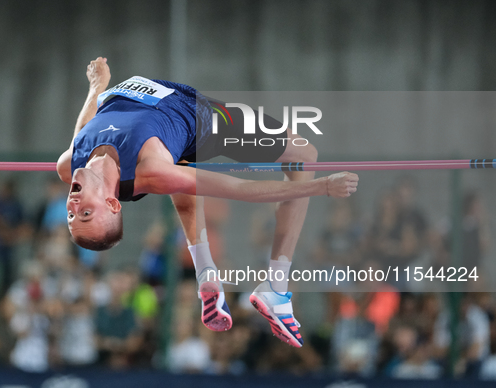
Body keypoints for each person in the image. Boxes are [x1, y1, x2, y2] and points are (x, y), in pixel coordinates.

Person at [56, 57, 359, 348]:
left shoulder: (69, 166)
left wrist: (98, 86)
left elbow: (82, 131)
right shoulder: (152, 168)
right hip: (202, 118)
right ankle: (276, 288)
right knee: (304, 155)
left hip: (157, 108)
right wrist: (321, 187)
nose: (72, 207)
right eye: (84, 213)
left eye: (72, 217)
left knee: (181, 170)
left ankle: (207, 274)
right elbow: (240, 189)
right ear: (112, 203)